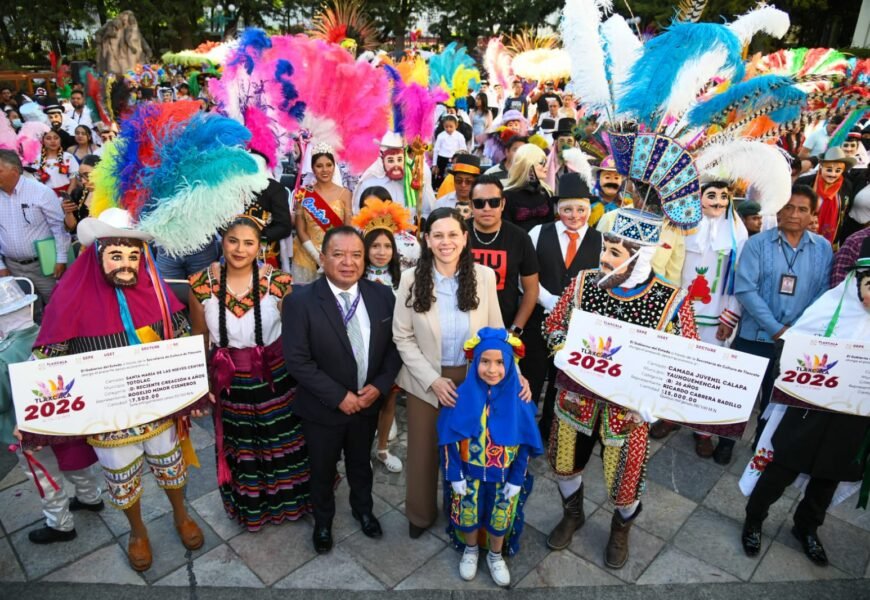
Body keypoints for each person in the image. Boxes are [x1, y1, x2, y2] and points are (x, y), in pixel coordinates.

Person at [31, 208, 204, 571]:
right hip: (108, 416)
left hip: (158, 408)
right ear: (97, 256)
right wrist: (33, 406)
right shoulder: (69, 297)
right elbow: (47, 357)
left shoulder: (156, 292)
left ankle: (180, 514)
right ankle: (138, 531)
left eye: (132, 256)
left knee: (171, 468)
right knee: (121, 479)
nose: (126, 264)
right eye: (116, 256)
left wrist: (194, 389)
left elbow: (182, 337)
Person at [542, 207, 699, 568]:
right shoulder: (584, 282)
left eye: (615, 252)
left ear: (640, 256)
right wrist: (560, 351)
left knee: (625, 484)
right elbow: (554, 324)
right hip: (577, 399)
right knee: (564, 464)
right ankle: (573, 514)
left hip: (628, 411)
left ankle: (620, 529)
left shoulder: (671, 300)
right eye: (604, 249)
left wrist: (658, 402)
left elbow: (686, 358)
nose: (604, 259)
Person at [740, 236, 870, 566]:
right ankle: (755, 517)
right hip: (809, 410)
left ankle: (807, 527)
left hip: (853, 417)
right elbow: (795, 345)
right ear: (858, 279)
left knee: (828, 476)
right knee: (782, 466)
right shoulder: (831, 306)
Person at [283, 226, 402, 554]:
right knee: (321, 469)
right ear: (322, 259)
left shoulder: (381, 296)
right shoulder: (300, 302)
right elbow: (297, 361)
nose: (348, 262)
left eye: (355, 255)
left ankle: (363, 509)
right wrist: (339, 397)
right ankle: (323, 521)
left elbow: (394, 349)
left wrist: (378, 387)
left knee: (360, 464)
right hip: (322, 410)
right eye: (338, 254)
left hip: (367, 405)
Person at [188, 216, 312, 531]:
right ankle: (251, 509)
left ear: (260, 246)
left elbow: (296, 335)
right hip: (229, 382)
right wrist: (202, 382)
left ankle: (290, 504)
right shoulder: (201, 284)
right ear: (221, 241)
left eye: (248, 242)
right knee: (240, 446)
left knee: (280, 441)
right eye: (232, 241)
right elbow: (200, 336)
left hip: (275, 378)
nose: (239, 249)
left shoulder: (280, 282)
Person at [392, 208, 504, 539]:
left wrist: (507, 373)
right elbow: (402, 335)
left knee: (469, 452)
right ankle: (420, 514)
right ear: (426, 240)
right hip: (425, 378)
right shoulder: (411, 279)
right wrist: (433, 380)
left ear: (465, 238)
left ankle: (464, 518)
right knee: (423, 452)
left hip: (472, 378)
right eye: (437, 235)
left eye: (453, 234)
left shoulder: (483, 276)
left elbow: (495, 329)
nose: (446, 242)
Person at [719, 185, 834, 464]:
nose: (793, 214)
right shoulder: (757, 243)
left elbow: (823, 293)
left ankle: (761, 443)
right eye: (788, 207)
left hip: (796, 340)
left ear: (812, 216)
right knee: (740, 393)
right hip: (753, 335)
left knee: (777, 396)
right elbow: (746, 290)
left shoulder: (823, 247)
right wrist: (776, 329)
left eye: (802, 209)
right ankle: (726, 441)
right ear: (778, 210)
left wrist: (796, 331)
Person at [0, 278, 104, 545]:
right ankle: (90, 497)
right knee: (75, 462)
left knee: (45, 476)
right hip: (62, 421)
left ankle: (60, 524)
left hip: (25, 432)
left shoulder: (3, 355)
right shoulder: (48, 336)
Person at [650, 182, 748, 458]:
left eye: (724, 197)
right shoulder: (682, 226)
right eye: (711, 195)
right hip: (682, 309)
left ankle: (702, 430)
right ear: (699, 199)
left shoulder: (737, 232)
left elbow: (740, 276)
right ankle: (669, 416)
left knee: (709, 371)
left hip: (717, 314)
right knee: (676, 365)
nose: (718, 201)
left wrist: (731, 315)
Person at [438, 327, 544, 587]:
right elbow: (448, 438)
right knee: (468, 514)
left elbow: (524, 445)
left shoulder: (520, 400)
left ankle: (495, 555)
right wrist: (454, 474)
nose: (492, 369)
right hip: (468, 476)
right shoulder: (460, 396)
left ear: (510, 364)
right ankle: (471, 550)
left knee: (500, 518)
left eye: (499, 362)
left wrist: (517, 478)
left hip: (504, 479)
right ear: (475, 363)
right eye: (485, 361)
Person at [527, 172, 602, 440]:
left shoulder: (601, 241)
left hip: (576, 329)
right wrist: (548, 300)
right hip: (537, 321)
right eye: (567, 209)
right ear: (557, 209)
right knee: (531, 379)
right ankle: (523, 431)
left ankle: (549, 431)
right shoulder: (538, 233)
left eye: (580, 209)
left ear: (589, 210)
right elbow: (525, 275)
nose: (574, 215)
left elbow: (601, 284)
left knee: (561, 383)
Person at [353, 198, 418, 473]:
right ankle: (360, 452)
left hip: (391, 351)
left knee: (388, 401)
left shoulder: (403, 280)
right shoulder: (352, 278)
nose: (381, 252)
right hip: (359, 351)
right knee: (360, 404)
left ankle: (382, 449)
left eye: (387, 246)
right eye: (375, 246)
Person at [468, 175, 540, 341]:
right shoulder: (458, 233)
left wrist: (515, 329)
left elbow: (531, 290)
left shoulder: (519, 237)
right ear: (471, 205)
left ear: (502, 204)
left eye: (493, 202)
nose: (487, 208)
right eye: (479, 203)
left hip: (503, 329)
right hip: (462, 325)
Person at [0, 149, 70, 311]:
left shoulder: (41, 192)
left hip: (45, 267)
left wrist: (61, 259)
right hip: (12, 269)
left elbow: (58, 227)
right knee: (26, 315)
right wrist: (1, 266)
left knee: (58, 308)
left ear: (15, 171)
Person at [292, 144, 352, 284]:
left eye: (329, 165)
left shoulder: (345, 194)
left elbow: (347, 229)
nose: (325, 170)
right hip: (306, 258)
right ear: (312, 168)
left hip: (335, 258)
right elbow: (300, 230)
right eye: (319, 166)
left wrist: (331, 258)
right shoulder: (303, 193)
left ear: (334, 166)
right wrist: (317, 258)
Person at [353, 132, 436, 221]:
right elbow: (359, 218)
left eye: (399, 159)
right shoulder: (368, 184)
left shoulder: (414, 180)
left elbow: (427, 210)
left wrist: (422, 222)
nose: (396, 165)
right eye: (391, 160)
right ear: (382, 160)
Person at [796, 147, 855, 246]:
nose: (833, 174)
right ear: (821, 167)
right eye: (829, 170)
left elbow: (846, 210)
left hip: (831, 238)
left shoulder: (847, 186)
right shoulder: (804, 182)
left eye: (838, 171)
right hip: (802, 234)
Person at [502, 145, 554, 232]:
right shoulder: (507, 196)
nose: (546, 167)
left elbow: (551, 224)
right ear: (527, 165)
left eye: (546, 162)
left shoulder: (545, 192)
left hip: (544, 243)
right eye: (541, 163)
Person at [32, 128, 77, 196]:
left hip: (67, 193)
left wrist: (67, 197)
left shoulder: (68, 157)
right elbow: (37, 182)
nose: (53, 141)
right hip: (47, 196)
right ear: (43, 141)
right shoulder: (37, 159)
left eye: (56, 138)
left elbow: (73, 180)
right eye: (48, 138)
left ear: (60, 140)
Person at [63, 153, 100, 235]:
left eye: (87, 175)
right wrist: (68, 212)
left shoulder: (114, 195)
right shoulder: (78, 193)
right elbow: (71, 228)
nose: (83, 181)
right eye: (81, 176)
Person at [588, 156, 624, 228]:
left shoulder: (626, 202)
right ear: (598, 179)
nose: (612, 182)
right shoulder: (588, 200)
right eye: (607, 177)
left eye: (616, 178)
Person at [433, 115, 467, 187]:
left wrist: (463, 161)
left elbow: (463, 149)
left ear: (456, 125)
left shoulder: (459, 136)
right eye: (446, 127)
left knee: (454, 175)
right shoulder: (441, 136)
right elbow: (436, 150)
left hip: (455, 159)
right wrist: (434, 164)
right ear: (443, 126)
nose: (448, 129)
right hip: (442, 159)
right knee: (441, 176)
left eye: (451, 127)